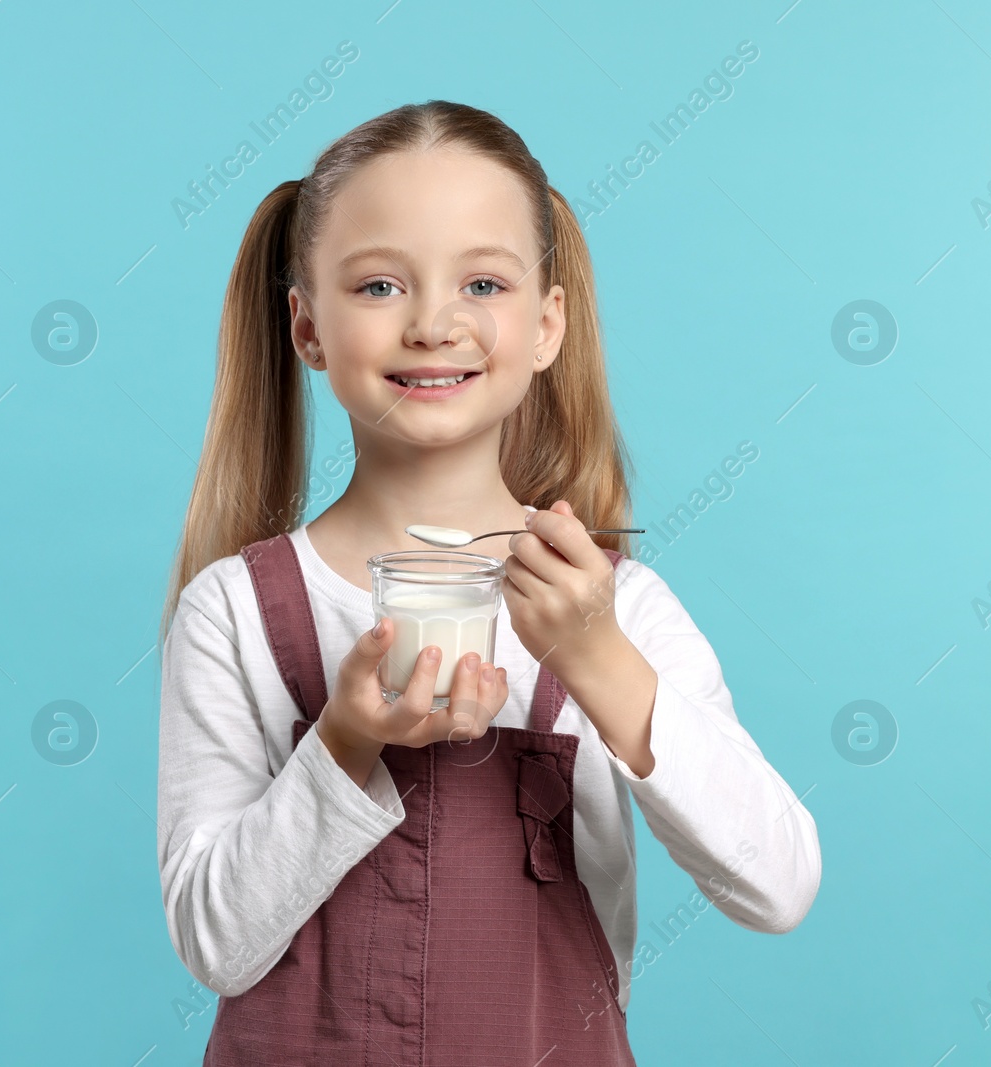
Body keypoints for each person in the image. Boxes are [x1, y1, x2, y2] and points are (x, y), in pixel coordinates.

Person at [156, 99, 821, 1065]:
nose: (434, 323)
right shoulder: (233, 612)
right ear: (307, 327)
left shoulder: (617, 607)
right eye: (380, 284)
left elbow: (779, 885)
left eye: (483, 281)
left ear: (547, 323)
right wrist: (344, 740)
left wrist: (597, 657)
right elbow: (215, 943)